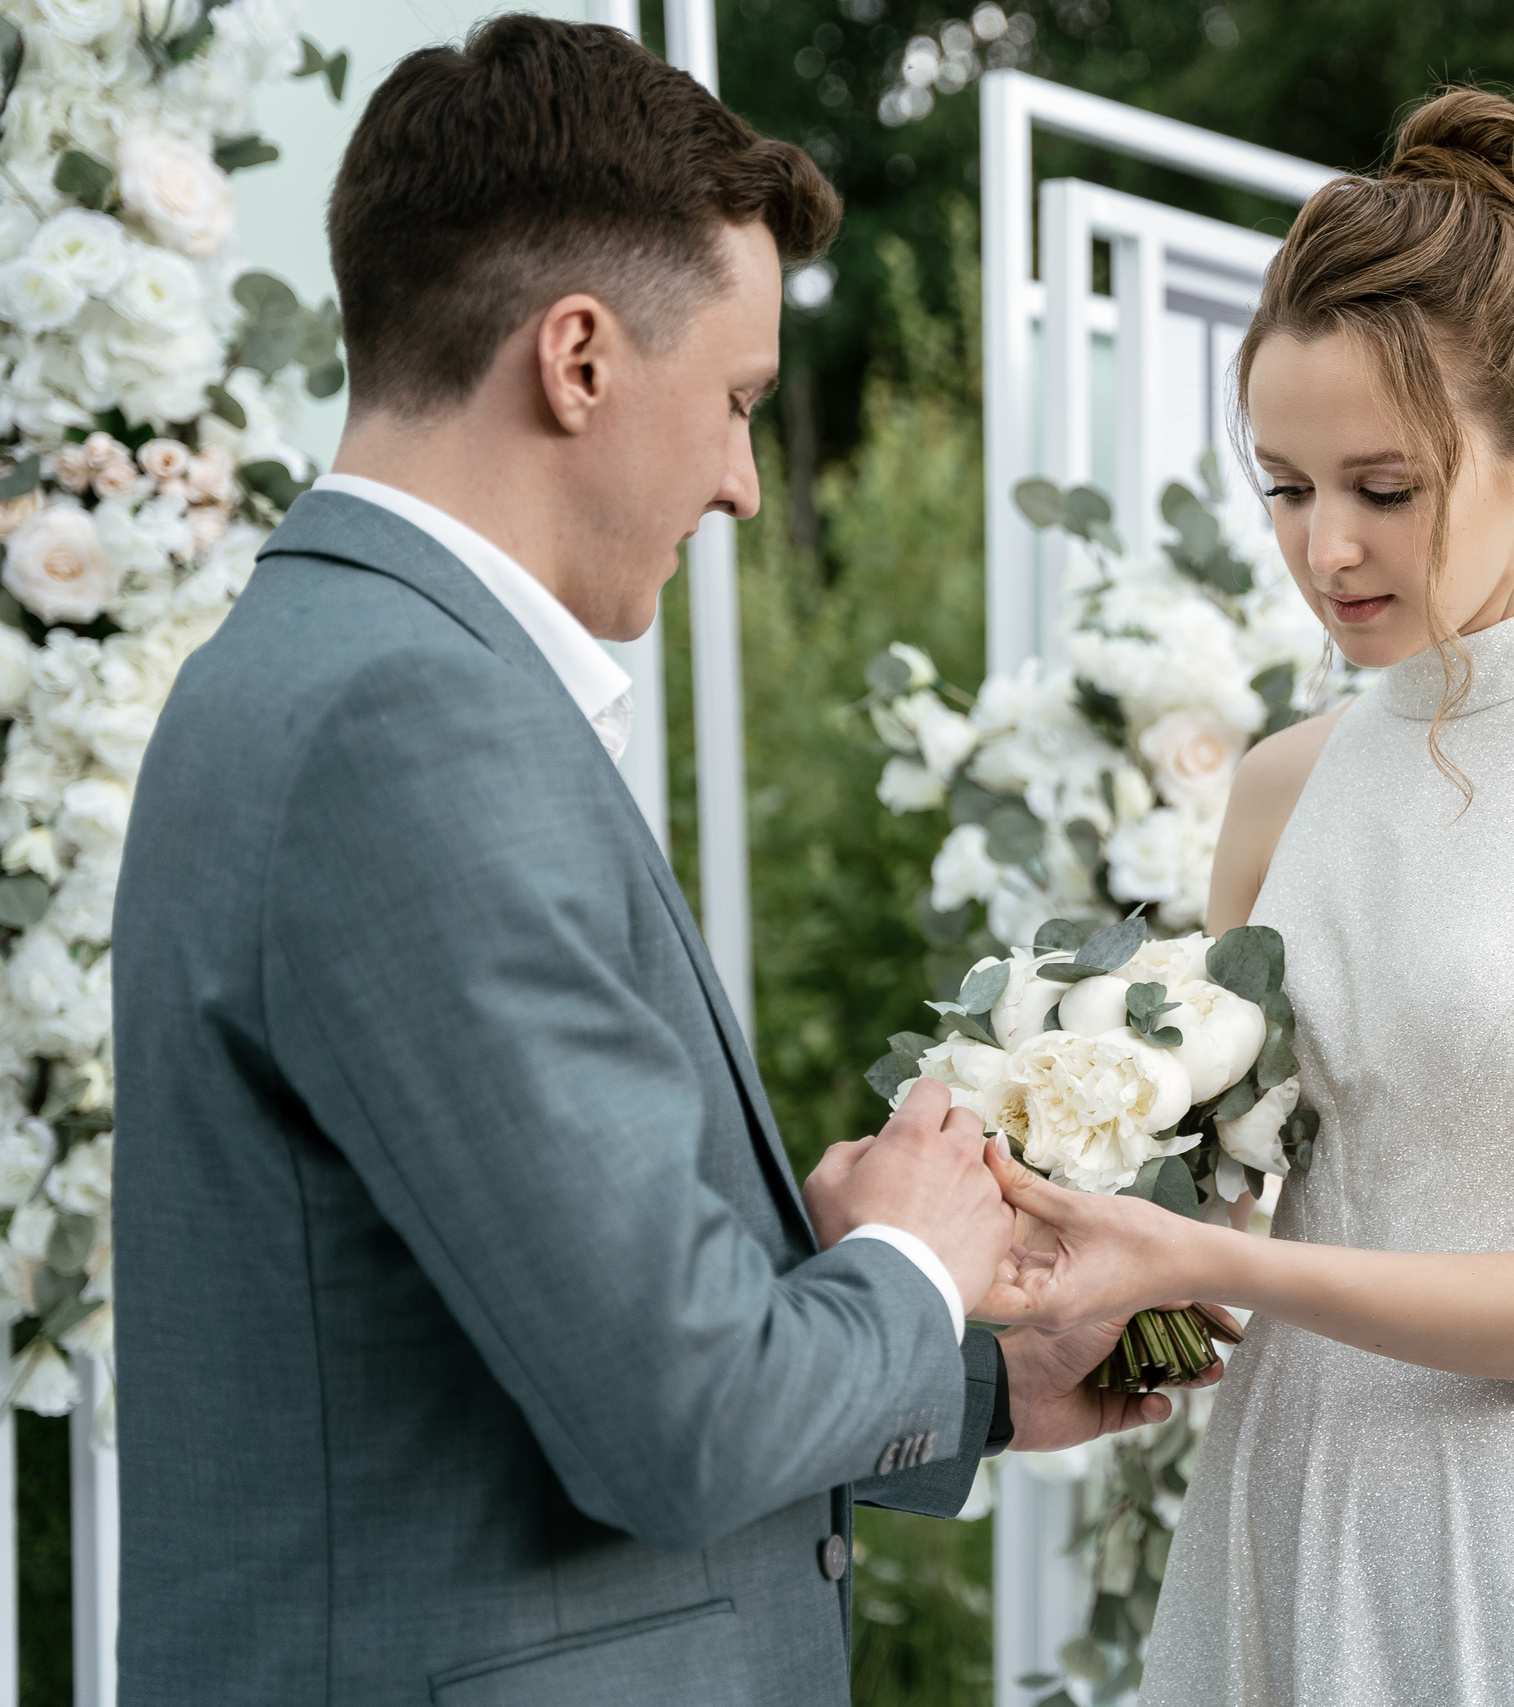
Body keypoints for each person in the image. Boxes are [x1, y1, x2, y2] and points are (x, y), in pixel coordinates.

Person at [110, 18, 1190, 1705]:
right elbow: (676, 1421)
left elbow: (513, 1339)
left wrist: (963, 1382)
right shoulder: (410, 726)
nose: (747, 485)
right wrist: (911, 1252)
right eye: (741, 403)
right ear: (582, 361)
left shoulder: (332, 670)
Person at [978, 87, 1514, 1705]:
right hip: (1277, 1523)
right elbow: (1223, 1213)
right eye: (1284, 487)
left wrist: (1211, 1267)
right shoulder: (1277, 787)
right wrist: (1035, 1201)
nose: (1327, 547)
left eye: (1385, 487)